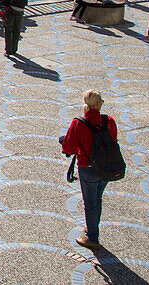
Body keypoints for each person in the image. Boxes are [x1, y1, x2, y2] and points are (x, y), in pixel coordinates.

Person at [60, 90, 118, 250]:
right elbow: (113, 141)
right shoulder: (109, 121)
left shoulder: (79, 123)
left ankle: (92, 237)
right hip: (106, 167)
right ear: (100, 104)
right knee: (97, 199)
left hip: (87, 168)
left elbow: (68, 147)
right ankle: (91, 228)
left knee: (90, 203)